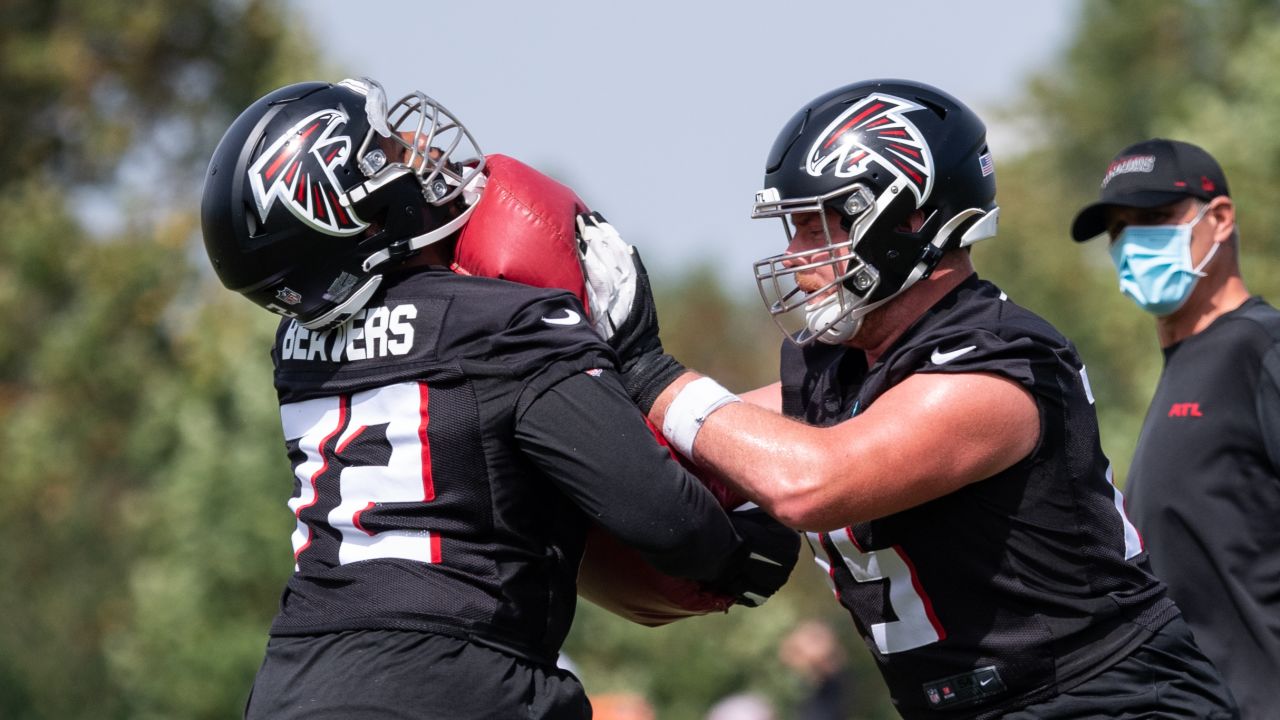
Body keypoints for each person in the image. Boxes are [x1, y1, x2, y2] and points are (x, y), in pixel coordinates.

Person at [580, 80, 1240, 718]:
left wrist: (645, 365)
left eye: (817, 226)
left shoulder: (998, 363)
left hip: (1105, 697)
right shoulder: (836, 370)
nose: (795, 253)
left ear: (909, 218)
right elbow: (698, 440)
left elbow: (812, 481)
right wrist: (554, 378)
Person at [199, 77, 798, 719]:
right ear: (349, 213)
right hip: (456, 683)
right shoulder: (506, 326)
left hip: (293, 685)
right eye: (390, 154)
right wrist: (733, 544)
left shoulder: (294, 352)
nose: (418, 156)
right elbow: (667, 518)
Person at [1070, 138, 1280, 718]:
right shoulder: (1185, 365)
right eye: (1117, 229)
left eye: (1156, 219)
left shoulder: (1259, 348)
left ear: (1220, 219)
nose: (1133, 243)